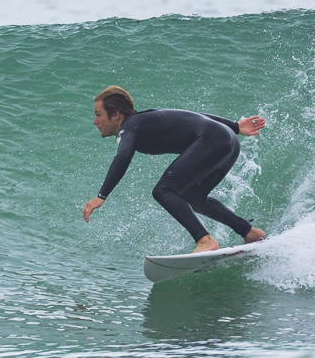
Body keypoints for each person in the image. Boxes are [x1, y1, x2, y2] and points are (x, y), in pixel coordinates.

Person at [81, 86, 268, 253]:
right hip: (228, 141)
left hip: (214, 140)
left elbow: (122, 157)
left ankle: (204, 240)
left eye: (98, 114)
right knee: (193, 197)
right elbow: (194, 116)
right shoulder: (143, 120)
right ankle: (249, 232)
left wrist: (102, 195)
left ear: (115, 115)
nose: (95, 121)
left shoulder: (129, 127)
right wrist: (234, 127)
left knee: (163, 191)